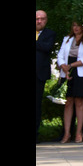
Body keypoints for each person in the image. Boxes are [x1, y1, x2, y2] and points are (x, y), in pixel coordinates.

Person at [36, 10, 57, 143]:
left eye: (42, 19)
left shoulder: (50, 34)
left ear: (46, 20)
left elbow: (46, 47)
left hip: (39, 75)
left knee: (36, 105)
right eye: (37, 19)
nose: (39, 21)